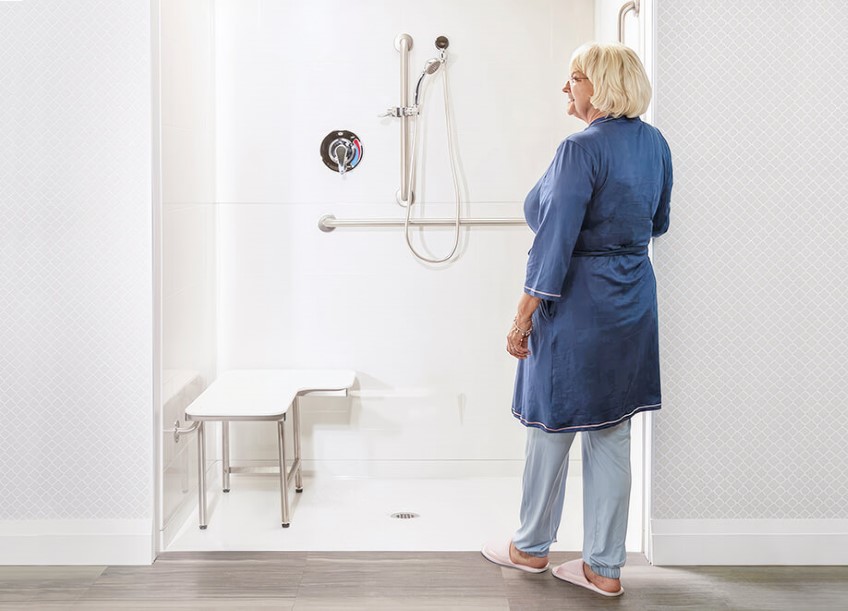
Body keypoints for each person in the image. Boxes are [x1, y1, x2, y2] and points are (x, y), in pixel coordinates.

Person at [481, 42, 672, 597]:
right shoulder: (656, 144)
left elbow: (554, 242)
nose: (566, 88)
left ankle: (530, 548)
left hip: (577, 301)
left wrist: (522, 317)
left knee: (549, 423)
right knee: (612, 433)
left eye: (574, 78)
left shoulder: (579, 149)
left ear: (601, 85)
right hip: (633, 300)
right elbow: (657, 223)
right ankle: (603, 570)